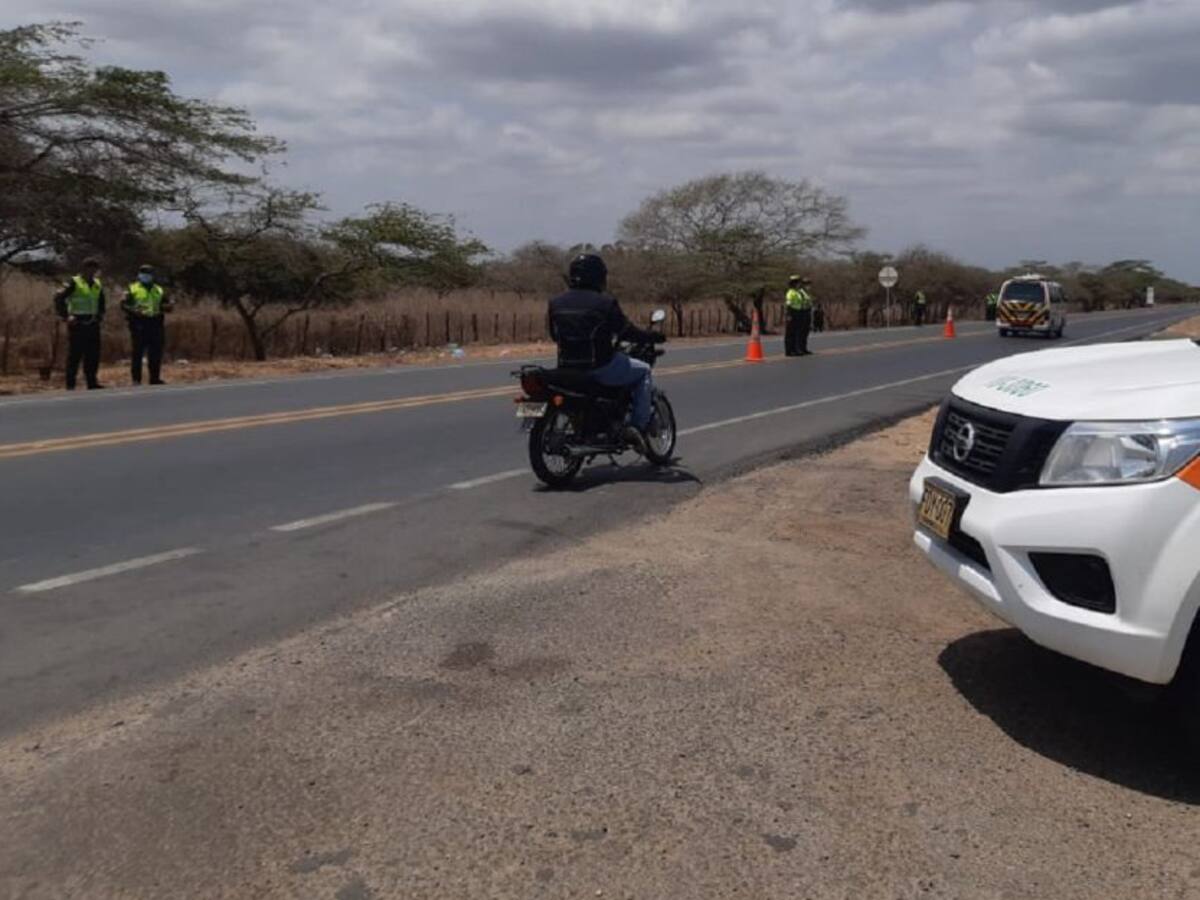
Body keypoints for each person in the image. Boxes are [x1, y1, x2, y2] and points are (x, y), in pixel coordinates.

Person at [548, 253, 664, 450]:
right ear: (598, 276)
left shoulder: (555, 302)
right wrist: (652, 336)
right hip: (599, 367)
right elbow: (626, 331)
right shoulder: (605, 303)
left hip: (567, 368)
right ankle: (637, 427)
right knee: (643, 370)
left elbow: (554, 335)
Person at [52, 257, 107, 390]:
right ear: (84, 269)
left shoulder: (97, 283)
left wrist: (99, 315)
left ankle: (92, 382)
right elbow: (59, 298)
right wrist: (66, 316)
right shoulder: (74, 282)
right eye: (90, 269)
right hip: (77, 322)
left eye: (95, 270)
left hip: (92, 322)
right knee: (75, 354)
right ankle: (70, 384)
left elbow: (101, 301)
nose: (93, 272)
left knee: (93, 354)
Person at [122, 264, 174, 385]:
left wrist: (168, 306)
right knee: (137, 352)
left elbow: (166, 304)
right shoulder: (132, 288)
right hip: (139, 323)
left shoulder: (159, 289)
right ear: (139, 275)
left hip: (155, 323)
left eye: (149, 273)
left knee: (155, 352)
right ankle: (136, 379)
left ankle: (154, 378)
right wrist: (134, 311)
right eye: (144, 273)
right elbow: (123, 305)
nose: (146, 275)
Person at [784, 275, 814, 356]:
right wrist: (789, 315)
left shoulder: (798, 293)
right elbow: (788, 304)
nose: (798, 284)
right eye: (797, 283)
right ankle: (790, 351)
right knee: (791, 333)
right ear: (793, 284)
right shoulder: (791, 292)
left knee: (797, 332)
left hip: (799, 312)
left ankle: (796, 349)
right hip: (793, 312)